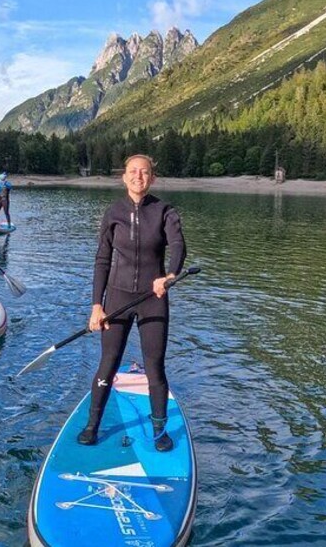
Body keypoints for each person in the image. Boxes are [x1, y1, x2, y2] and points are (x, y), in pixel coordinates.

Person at [78, 154, 186, 452]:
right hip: (117, 297)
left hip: (154, 298)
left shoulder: (165, 211)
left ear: (152, 178)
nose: (139, 176)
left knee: (155, 365)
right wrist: (96, 306)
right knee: (108, 362)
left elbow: (178, 246)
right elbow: (102, 260)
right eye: (133, 171)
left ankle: (159, 430)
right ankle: (92, 425)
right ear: (124, 177)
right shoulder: (113, 213)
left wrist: (170, 275)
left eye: (145, 172)